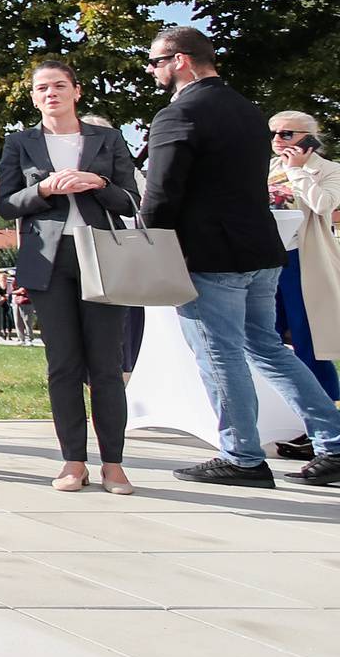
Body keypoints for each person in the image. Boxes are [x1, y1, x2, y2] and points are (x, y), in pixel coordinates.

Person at [140, 26, 340, 487]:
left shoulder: (178, 113)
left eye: (155, 62)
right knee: (269, 350)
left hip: (210, 256)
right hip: (260, 249)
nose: (151, 70)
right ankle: (333, 442)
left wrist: (151, 246)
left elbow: (162, 192)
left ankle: (242, 456)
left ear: (180, 62)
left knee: (220, 356)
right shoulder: (250, 111)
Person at [0, 59, 142, 493]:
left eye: (59, 86)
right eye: (42, 88)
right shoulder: (20, 143)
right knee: (62, 364)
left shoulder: (107, 138)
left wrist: (96, 182)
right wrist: (44, 189)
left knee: (106, 366)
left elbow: (129, 200)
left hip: (103, 255)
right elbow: (7, 204)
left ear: (76, 92)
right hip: (49, 260)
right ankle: (72, 461)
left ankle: (113, 463)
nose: (51, 94)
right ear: (34, 97)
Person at [268, 111, 340, 455]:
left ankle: (326, 427)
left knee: (309, 341)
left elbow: (325, 205)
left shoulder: (329, 170)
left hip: (305, 262)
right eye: (274, 134)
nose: (279, 140)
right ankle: (295, 421)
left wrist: (297, 170)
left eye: (287, 134)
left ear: (308, 138)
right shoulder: (268, 167)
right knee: (269, 342)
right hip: (268, 260)